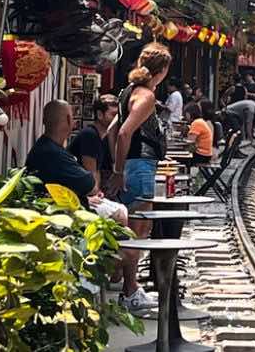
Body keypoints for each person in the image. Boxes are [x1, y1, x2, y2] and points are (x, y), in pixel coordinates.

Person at [30, 100, 155, 311]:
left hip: (67, 220)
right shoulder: (54, 152)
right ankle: (129, 293)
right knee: (132, 248)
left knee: (124, 228)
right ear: (69, 120)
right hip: (70, 230)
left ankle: (128, 289)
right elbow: (88, 182)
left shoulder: (46, 149)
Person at [110, 42, 171, 214]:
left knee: (130, 219)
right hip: (140, 164)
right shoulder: (146, 96)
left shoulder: (127, 91)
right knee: (141, 226)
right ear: (163, 70)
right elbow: (123, 133)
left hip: (131, 163)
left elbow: (111, 130)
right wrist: (118, 171)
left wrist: (117, 162)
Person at [184, 102, 214, 167]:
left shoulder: (196, 123)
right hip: (206, 155)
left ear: (189, 113)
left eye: (185, 113)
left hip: (201, 155)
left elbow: (190, 143)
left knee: (178, 158)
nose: (185, 116)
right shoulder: (200, 121)